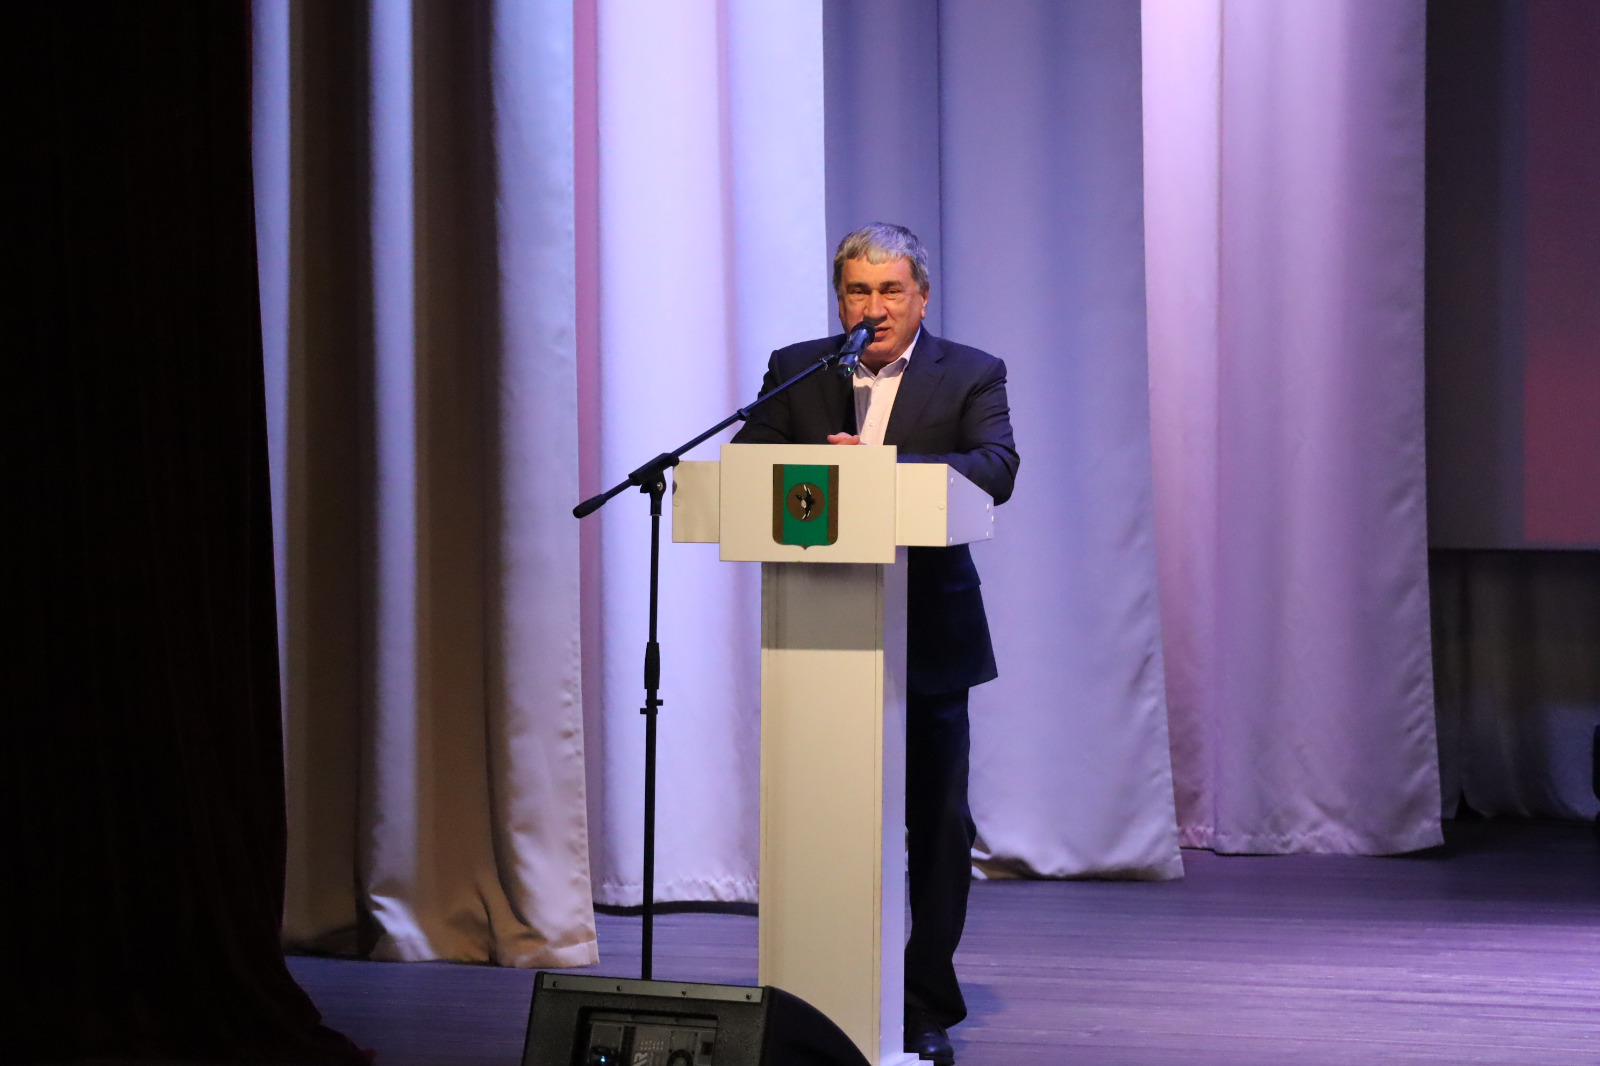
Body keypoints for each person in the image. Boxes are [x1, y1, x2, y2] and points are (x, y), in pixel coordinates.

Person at [733, 223, 1019, 1065]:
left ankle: (923, 1000)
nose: (875, 307)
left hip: (929, 632)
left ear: (921, 297)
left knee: (936, 824)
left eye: (891, 290)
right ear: (840, 300)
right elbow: (748, 463)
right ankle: (817, 994)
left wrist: (879, 472)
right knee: (824, 817)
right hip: (821, 640)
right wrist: (821, 472)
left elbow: (996, 467)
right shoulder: (800, 368)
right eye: (859, 291)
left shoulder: (971, 372)